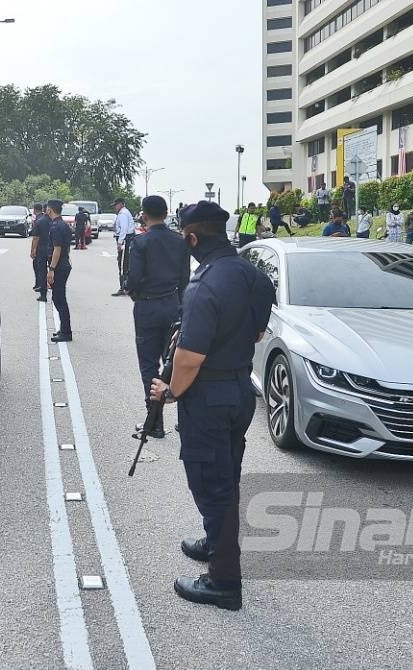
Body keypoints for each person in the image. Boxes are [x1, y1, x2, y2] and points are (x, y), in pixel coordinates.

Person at [149, 200, 274, 611]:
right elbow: (257, 334)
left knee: (210, 483)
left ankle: (224, 580)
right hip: (239, 391)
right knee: (227, 475)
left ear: (191, 237)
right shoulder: (254, 276)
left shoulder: (204, 286)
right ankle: (215, 542)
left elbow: (188, 359)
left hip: (208, 397)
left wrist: (169, 394)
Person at [125, 195, 190, 440]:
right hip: (174, 304)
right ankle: (185, 421)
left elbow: (133, 279)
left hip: (148, 307)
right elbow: (185, 279)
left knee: (149, 365)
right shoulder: (180, 241)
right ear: (166, 213)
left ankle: (155, 422)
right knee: (176, 362)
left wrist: (133, 291)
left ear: (144, 214)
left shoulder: (140, 242)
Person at [46, 199, 74, 342]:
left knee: (59, 299)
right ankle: (64, 329)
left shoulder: (56, 226)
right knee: (58, 298)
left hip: (59, 267)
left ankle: (66, 332)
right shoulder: (63, 224)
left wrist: (51, 269)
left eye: (47, 208)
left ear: (50, 210)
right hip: (64, 264)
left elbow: (57, 249)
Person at [113, 197, 136, 297]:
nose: (115, 207)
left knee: (123, 264)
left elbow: (124, 229)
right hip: (128, 239)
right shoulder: (125, 213)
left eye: (116, 205)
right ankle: (127, 287)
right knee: (126, 263)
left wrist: (120, 242)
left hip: (125, 240)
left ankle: (123, 287)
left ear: (121, 204)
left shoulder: (123, 214)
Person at [30, 203, 52, 302]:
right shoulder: (55, 221)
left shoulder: (40, 221)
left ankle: (43, 295)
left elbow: (35, 237)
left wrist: (33, 250)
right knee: (54, 270)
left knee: (42, 271)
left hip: (41, 249)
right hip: (53, 249)